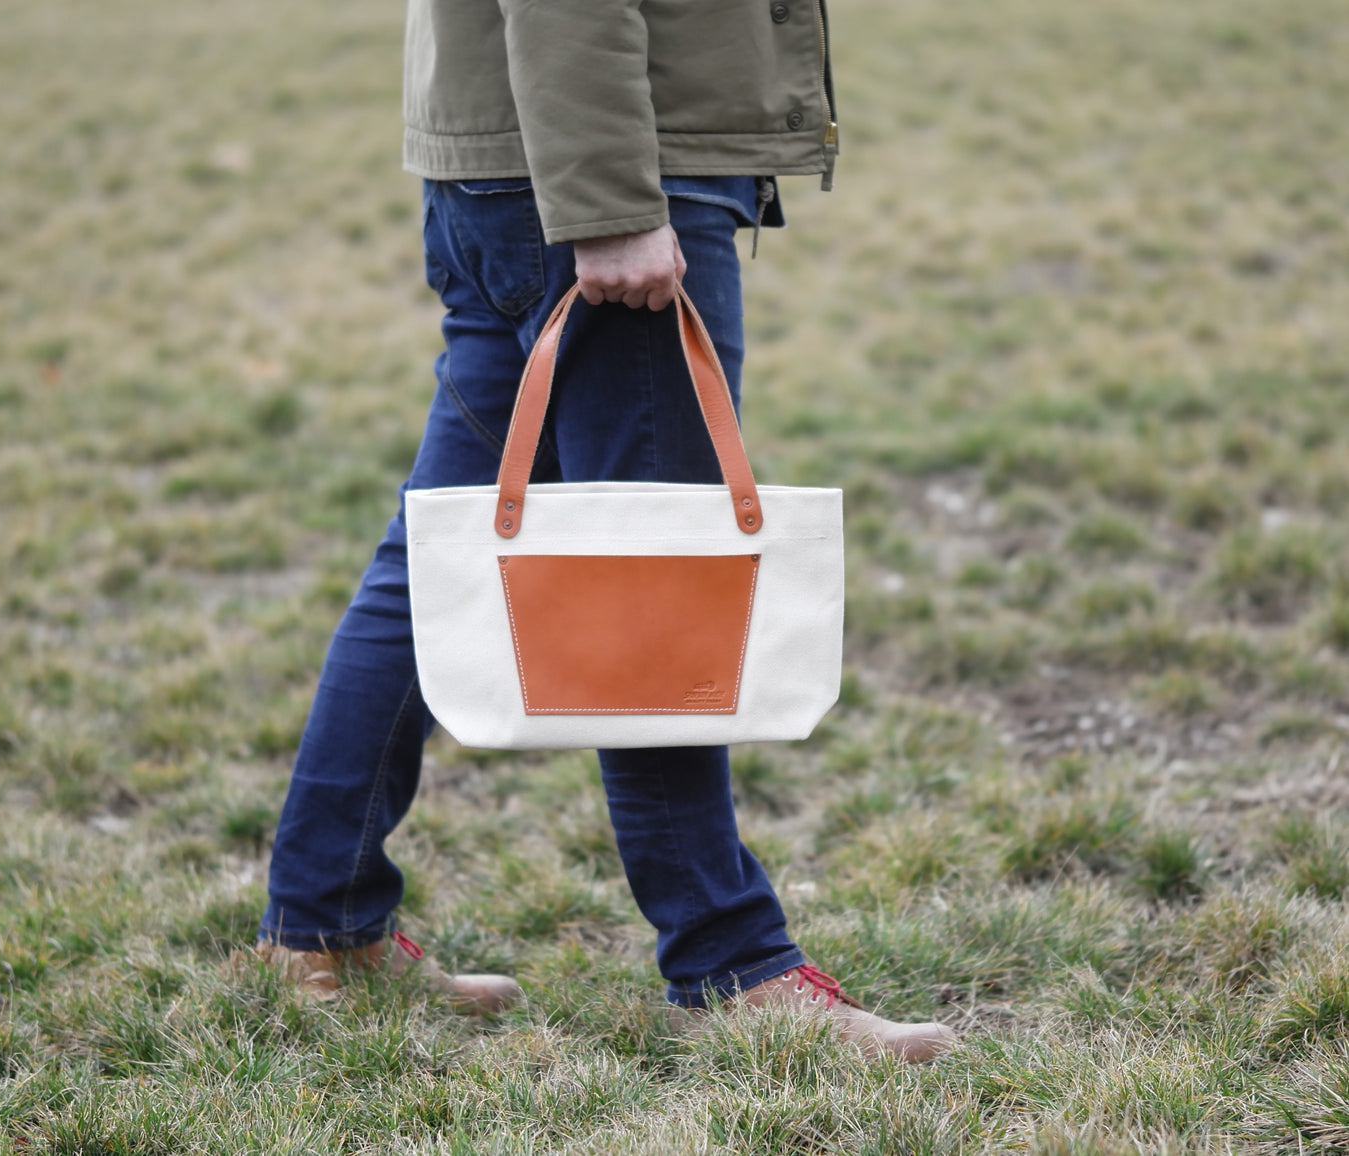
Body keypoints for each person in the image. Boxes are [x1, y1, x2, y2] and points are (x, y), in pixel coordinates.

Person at [252, 0, 956, 1061]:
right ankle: (731, 967)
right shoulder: (608, 193)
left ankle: (321, 927)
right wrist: (611, 202)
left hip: (513, 168)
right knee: (655, 585)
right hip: (605, 174)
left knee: (435, 567)